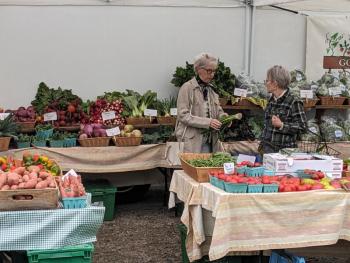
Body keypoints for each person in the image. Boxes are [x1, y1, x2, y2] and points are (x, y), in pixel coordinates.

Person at [175, 52, 227, 153]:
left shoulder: (211, 89)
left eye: (214, 71)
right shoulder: (187, 88)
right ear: (199, 70)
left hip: (210, 142)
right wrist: (208, 122)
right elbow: (183, 115)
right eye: (209, 71)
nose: (212, 75)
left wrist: (224, 117)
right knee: (192, 168)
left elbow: (218, 110)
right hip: (192, 143)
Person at [259, 65, 307, 154]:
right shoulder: (271, 99)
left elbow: (302, 127)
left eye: (267, 80)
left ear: (275, 83)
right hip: (267, 150)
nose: (266, 83)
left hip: (284, 154)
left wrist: (282, 125)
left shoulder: (294, 101)